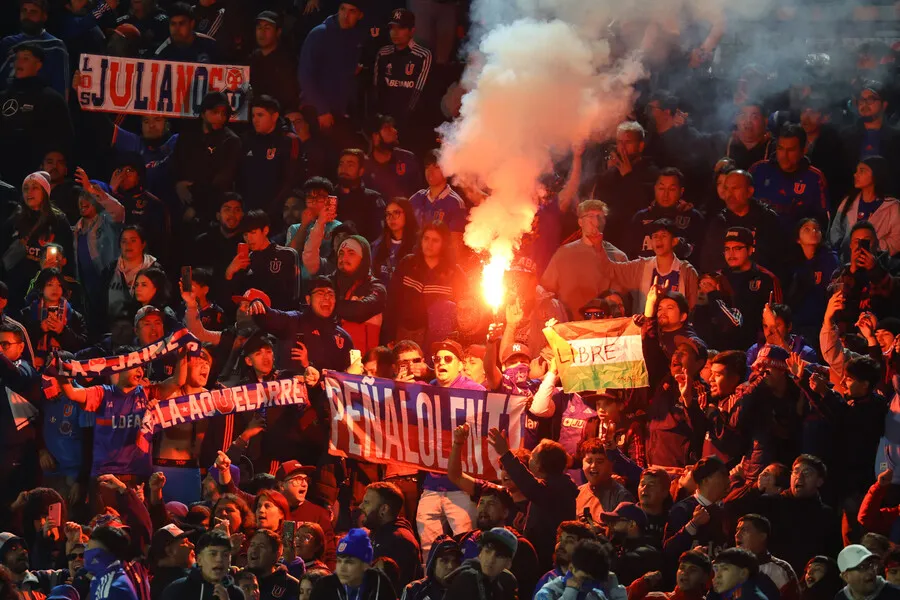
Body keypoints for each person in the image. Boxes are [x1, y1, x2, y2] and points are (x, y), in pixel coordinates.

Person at [490, 430, 578, 570]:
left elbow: (528, 484)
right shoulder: (558, 486)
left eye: (532, 457)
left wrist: (506, 454)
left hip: (547, 562)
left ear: (538, 466)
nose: (529, 459)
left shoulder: (556, 490)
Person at [382, 223, 466, 346]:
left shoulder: (454, 273)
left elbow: (463, 310)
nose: (429, 244)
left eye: (435, 240)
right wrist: (389, 335)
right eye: (426, 238)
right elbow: (392, 301)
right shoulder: (408, 264)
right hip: (405, 334)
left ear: (444, 244)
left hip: (438, 339)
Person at [541, 199, 628, 319]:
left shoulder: (618, 257)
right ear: (580, 222)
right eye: (590, 216)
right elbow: (545, 291)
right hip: (570, 330)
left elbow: (621, 300)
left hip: (605, 330)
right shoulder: (563, 254)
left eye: (600, 217)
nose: (595, 222)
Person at [297, 2, 368, 138]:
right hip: (317, 110)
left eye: (352, 11)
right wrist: (322, 110)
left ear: (360, 15)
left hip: (341, 110)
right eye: (343, 9)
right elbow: (305, 76)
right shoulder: (320, 33)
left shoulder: (355, 37)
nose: (345, 15)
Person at [700, 170, 787, 279]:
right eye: (726, 189)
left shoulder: (767, 219)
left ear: (749, 191)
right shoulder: (719, 222)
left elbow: (779, 261)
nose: (729, 195)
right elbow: (708, 263)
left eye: (735, 188)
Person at [172, 91, 242, 224]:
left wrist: (196, 207)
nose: (220, 118)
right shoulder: (188, 135)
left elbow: (221, 181)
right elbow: (175, 164)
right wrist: (177, 185)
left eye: (223, 114)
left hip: (211, 210)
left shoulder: (231, 141)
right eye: (215, 112)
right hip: (179, 204)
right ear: (203, 113)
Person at [599, 218, 699, 310]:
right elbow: (610, 269)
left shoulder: (687, 272)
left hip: (676, 328)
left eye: (663, 236)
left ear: (674, 241)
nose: (658, 239)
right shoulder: (641, 267)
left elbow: (692, 309)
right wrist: (596, 244)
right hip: (646, 327)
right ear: (650, 241)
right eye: (655, 236)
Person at [589, 121, 660, 249]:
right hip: (609, 245)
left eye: (628, 142)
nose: (622, 147)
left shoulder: (653, 174)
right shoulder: (608, 176)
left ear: (640, 146)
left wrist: (629, 177)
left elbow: (646, 205)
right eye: (619, 142)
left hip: (637, 246)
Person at [749, 123, 829, 231]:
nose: (784, 155)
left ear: (803, 151)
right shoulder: (758, 169)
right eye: (780, 148)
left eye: (791, 150)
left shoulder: (814, 178)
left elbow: (821, 220)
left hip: (796, 242)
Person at [237, 95, 302, 218]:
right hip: (248, 211)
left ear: (274, 116)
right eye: (253, 116)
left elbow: (291, 179)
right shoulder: (247, 139)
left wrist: (272, 209)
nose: (255, 120)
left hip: (276, 212)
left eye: (260, 115)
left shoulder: (288, 140)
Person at [719, 227, 782, 349]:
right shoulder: (719, 278)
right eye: (727, 249)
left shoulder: (766, 278)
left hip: (756, 347)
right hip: (724, 346)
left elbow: (778, 318)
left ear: (750, 250)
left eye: (737, 248)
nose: (731, 254)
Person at [226, 210, 300, 312]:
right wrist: (230, 273)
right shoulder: (245, 260)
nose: (249, 238)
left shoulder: (286, 255)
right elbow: (234, 298)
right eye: (245, 235)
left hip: (280, 317)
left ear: (265, 230)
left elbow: (293, 295)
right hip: (252, 318)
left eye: (253, 233)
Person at [838, 82, 900, 200]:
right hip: (852, 202)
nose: (865, 104)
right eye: (861, 100)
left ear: (884, 104)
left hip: (888, 202)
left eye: (871, 99)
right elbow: (839, 174)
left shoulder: (896, 139)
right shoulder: (846, 136)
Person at [372, 9, 432, 132]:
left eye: (401, 28)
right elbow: (377, 88)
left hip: (411, 122)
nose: (395, 32)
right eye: (392, 28)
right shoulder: (383, 53)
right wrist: (383, 118)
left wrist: (403, 119)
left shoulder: (423, 55)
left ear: (412, 31)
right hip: (385, 120)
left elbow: (419, 92)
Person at [829, 156, 900, 258]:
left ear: (876, 174)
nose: (855, 175)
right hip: (847, 262)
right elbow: (836, 230)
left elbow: (897, 240)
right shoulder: (849, 201)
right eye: (856, 171)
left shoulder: (892, 207)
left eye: (862, 171)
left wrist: (874, 247)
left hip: (877, 265)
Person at [663, 456, 731, 559]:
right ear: (705, 480)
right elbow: (668, 550)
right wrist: (693, 525)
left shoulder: (723, 511)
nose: (728, 481)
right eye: (722, 475)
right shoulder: (682, 510)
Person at [629, 168, 705, 259]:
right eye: (661, 188)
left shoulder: (693, 218)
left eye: (672, 189)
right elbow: (630, 253)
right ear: (655, 188)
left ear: (681, 191)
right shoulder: (641, 217)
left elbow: (699, 255)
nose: (665, 194)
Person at [0, 1, 70, 97]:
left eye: (33, 12)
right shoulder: (7, 43)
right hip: (9, 104)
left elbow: (61, 88)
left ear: (44, 16)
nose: (27, 15)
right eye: (24, 11)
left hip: (42, 104)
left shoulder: (56, 46)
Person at [359, 482, 422, 588]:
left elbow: (394, 589)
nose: (361, 506)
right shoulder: (376, 532)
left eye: (366, 502)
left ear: (384, 509)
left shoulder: (401, 542)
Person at [275, 460, 336, 569]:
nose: (304, 484)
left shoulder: (319, 514)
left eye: (305, 479)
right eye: (297, 479)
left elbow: (330, 554)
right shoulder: (271, 509)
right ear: (281, 485)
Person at [309, 529, 396, 600]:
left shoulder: (379, 583)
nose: (342, 567)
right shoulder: (324, 585)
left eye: (349, 562)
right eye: (339, 561)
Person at [161, 529, 244, 600]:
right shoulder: (176, 591)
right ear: (199, 560)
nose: (219, 559)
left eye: (225, 555)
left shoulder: (236, 594)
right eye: (213, 554)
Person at [734, 514, 800, 600]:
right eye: (737, 530)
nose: (737, 535)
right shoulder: (724, 567)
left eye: (744, 530)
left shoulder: (780, 570)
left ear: (762, 536)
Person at [599, 502, 664, 587]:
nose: (610, 525)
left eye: (616, 520)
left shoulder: (647, 552)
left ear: (632, 524)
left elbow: (619, 571)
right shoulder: (622, 547)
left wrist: (603, 544)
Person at [408, 151, 466, 244]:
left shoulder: (455, 203)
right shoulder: (416, 198)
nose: (430, 172)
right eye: (427, 167)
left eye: (436, 167)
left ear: (447, 170)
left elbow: (456, 244)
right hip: (415, 255)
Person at [443, 528, 518, 600]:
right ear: (480, 553)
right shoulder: (467, 579)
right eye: (487, 551)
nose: (491, 560)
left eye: (499, 556)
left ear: (508, 563)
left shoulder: (501, 585)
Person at [248, 11, 300, 114]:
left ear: (278, 32)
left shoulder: (288, 61)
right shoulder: (251, 59)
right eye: (259, 28)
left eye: (267, 28)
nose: (262, 32)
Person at [534, 540, 621, 600]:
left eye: (593, 581)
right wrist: (570, 593)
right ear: (572, 568)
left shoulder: (596, 595)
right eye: (585, 579)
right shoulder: (548, 593)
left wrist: (616, 592)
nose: (588, 585)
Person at [363, 116, 423, 201]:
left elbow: (419, 195)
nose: (395, 131)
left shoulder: (407, 159)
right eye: (387, 128)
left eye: (393, 127)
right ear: (375, 137)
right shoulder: (365, 167)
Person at [334, 148, 386, 243]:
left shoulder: (373, 199)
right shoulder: (329, 196)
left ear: (361, 171)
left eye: (350, 165)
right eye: (341, 164)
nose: (344, 169)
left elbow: (379, 236)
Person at [577, 439, 635, 521]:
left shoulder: (622, 497)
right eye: (589, 461)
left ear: (611, 465)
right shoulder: (576, 493)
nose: (593, 466)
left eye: (599, 462)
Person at [627, 549, 711, 600]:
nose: (685, 573)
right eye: (682, 567)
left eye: (693, 570)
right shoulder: (657, 598)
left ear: (705, 577)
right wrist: (642, 583)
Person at [371, 199, 418, 287]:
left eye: (396, 213)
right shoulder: (377, 245)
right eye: (388, 214)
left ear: (407, 214)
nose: (391, 218)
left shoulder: (418, 246)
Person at [153, 2, 221, 63]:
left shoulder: (210, 46)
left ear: (192, 24)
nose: (177, 28)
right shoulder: (162, 52)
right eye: (173, 24)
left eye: (181, 23)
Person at [85, 525, 140, 600]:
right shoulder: (103, 577)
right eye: (86, 546)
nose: (86, 553)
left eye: (90, 550)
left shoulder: (111, 588)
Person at [246, 529, 300, 600]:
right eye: (252, 545)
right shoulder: (237, 578)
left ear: (276, 555)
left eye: (261, 546)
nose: (254, 550)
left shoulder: (291, 586)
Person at [835, 545, 900, 600]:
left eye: (872, 565)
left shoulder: (895, 594)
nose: (871, 571)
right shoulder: (840, 597)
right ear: (846, 576)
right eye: (862, 567)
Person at [148, 524, 194, 600]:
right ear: (169, 551)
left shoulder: (157, 581)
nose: (192, 545)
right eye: (185, 542)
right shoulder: (180, 585)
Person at [725, 101, 774, 170]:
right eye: (743, 116)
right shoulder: (722, 142)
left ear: (765, 122)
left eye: (754, 117)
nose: (748, 121)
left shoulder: (775, 148)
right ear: (736, 120)